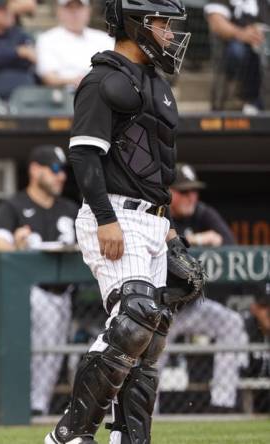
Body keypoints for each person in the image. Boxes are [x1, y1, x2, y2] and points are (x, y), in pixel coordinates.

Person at [44, 0, 194, 443]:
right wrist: (106, 218)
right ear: (135, 25)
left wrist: (167, 224)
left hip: (151, 220)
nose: (168, 33)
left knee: (151, 335)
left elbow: (156, 167)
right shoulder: (102, 80)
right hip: (113, 214)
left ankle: (130, 437)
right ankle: (69, 435)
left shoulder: (154, 83)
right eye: (161, 23)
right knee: (134, 319)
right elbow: (84, 153)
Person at [0, 145, 78, 416]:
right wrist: (16, 243)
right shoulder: (14, 205)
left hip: (64, 293)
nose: (61, 177)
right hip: (30, 292)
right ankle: (27, 406)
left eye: (63, 171)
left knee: (53, 353)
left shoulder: (70, 209)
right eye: (56, 170)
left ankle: (38, 407)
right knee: (34, 349)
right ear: (35, 170)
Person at [163, 162, 248, 413]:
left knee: (231, 323)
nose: (191, 197)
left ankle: (222, 404)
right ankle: (144, 415)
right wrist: (198, 241)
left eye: (194, 191)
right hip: (160, 308)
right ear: (169, 192)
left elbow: (230, 246)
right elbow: (158, 246)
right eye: (184, 191)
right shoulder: (156, 213)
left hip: (191, 304)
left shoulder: (202, 213)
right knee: (151, 363)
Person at [205, 0, 268, 113]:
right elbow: (217, 22)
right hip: (234, 44)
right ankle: (244, 100)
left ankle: (257, 103)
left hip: (264, 44)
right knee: (238, 51)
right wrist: (242, 34)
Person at [36, 0, 114, 88]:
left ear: (88, 10)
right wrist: (76, 81)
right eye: (69, 8)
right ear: (59, 11)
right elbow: (48, 77)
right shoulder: (47, 39)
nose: (75, 13)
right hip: (65, 95)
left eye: (79, 8)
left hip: (102, 90)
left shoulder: (104, 38)